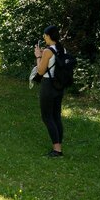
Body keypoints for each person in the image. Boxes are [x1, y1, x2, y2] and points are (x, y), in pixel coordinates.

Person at [31, 25, 64, 157]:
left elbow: (40, 71)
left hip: (48, 85)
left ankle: (57, 150)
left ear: (48, 36)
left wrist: (38, 56)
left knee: (47, 116)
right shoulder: (61, 48)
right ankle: (59, 146)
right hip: (59, 85)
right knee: (56, 116)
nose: (44, 37)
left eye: (44, 35)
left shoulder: (47, 51)